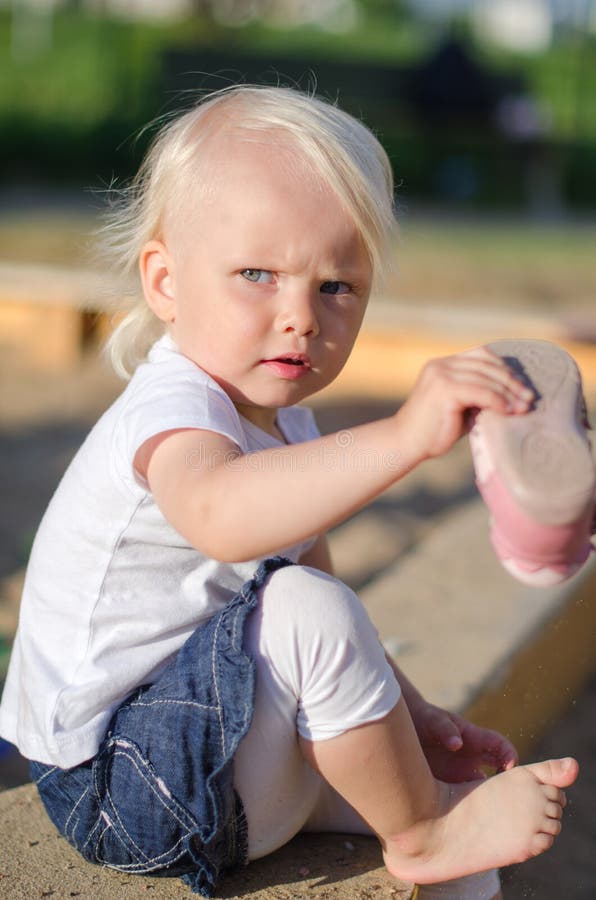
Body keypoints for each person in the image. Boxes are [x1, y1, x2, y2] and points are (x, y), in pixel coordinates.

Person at [0, 86, 578, 899]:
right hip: (119, 782)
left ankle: (438, 831)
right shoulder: (177, 413)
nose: (301, 317)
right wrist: (405, 436)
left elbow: (314, 589)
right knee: (312, 616)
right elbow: (225, 519)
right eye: (257, 274)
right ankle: (421, 837)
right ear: (165, 283)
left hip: (216, 749)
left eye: (337, 286)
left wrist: (408, 716)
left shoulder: (283, 425)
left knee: (459, 809)